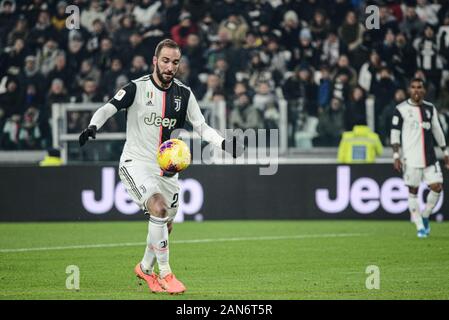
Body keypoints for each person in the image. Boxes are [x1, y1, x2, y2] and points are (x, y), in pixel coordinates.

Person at [78, 39, 243, 294]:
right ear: (155, 61)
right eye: (165, 61)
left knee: (165, 224)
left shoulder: (184, 94)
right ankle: (166, 274)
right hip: (136, 163)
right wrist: (92, 126)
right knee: (158, 207)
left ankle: (145, 268)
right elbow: (108, 108)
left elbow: (201, 127)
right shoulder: (136, 88)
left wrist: (224, 143)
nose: (170, 67)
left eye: (175, 62)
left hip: (167, 169)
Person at [390, 78, 449, 238]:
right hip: (411, 159)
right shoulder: (401, 109)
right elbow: (395, 133)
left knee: (437, 187)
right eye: (413, 87)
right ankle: (419, 226)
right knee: (413, 192)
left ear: (424, 90)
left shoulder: (430, 108)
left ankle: (425, 215)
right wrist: (396, 155)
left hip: (430, 157)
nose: (416, 90)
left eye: (419, 87)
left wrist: (446, 151)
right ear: (410, 90)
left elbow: (437, 130)